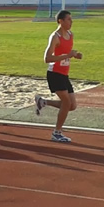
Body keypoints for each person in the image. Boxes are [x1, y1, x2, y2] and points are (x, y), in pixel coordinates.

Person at [34, 10, 83, 143]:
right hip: (54, 73)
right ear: (60, 21)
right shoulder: (55, 37)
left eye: (71, 19)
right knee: (66, 102)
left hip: (64, 74)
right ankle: (57, 133)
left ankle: (43, 102)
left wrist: (75, 55)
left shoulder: (70, 35)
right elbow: (47, 58)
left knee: (72, 105)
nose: (71, 22)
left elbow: (67, 52)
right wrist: (67, 56)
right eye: (68, 19)